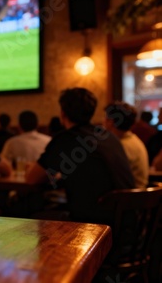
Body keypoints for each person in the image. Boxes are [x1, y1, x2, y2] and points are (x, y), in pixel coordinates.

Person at [26, 87, 135, 224]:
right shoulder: (108, 136)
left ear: (62, 113)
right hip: (126, 223)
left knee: (30, 219)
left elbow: (31, 179)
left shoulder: (65, 139)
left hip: (93, 227)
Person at [104, 102, 149, 189]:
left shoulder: (121, 146)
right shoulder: (134, 141)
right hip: (140, 198)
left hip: (128, 199)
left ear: (110, 122)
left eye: (106, 118)